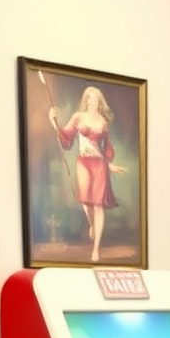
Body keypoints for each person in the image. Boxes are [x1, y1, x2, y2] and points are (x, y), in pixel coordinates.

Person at [48, 86, 127, 263]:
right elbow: (66, 138)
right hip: (83, 162)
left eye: (95, 99)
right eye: (89, 98)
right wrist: (54, 123)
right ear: (86, 101)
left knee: (98, 205)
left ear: (100, 103)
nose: (91, 101)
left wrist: (111, 165)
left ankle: (96, 249)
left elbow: (107, 146)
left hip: (99, 164)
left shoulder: (103, 122)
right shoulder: (77, 117)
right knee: (86, 202)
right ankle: (92, 225)